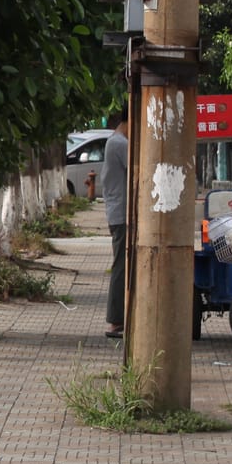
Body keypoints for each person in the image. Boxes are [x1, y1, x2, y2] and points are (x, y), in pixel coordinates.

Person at [102, 115, 129, 340]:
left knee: (122, 264)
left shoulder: (115, 141)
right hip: (121, 214)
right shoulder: (120, 143)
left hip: (119, 212)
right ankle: (115, 321)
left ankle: (119, 318)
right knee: (120, 265)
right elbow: (140, 169)